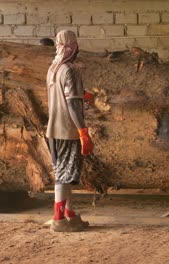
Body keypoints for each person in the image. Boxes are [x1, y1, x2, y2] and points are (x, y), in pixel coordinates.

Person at [46, 30, 94, 232]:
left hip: (52, 130)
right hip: (67, 129)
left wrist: (83, 93)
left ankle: (70, 214)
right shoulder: (71, 70)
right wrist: (83, 132)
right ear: (74, 47)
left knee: (64, 172)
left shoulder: (54, 68)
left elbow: (62, 91)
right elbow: (72, 105)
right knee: (64, 176)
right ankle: (58, 219)